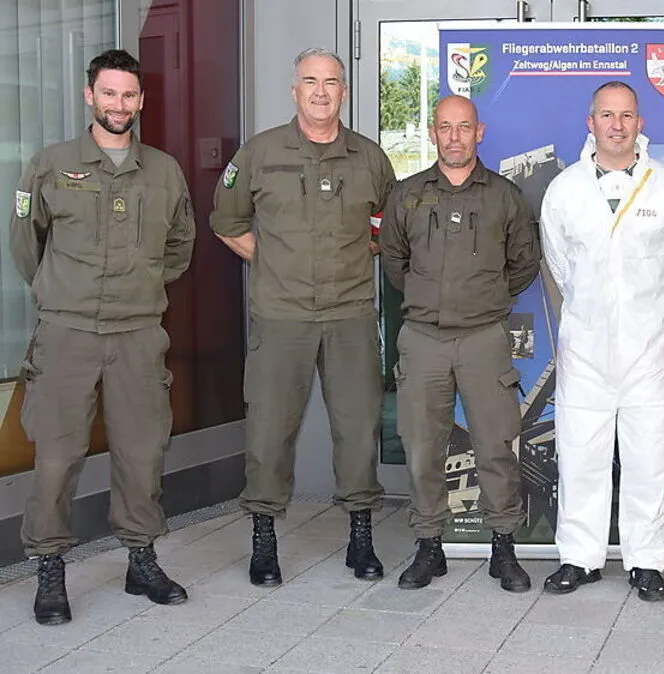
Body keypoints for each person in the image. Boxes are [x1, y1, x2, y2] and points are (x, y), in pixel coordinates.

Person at [10, 49, 196, 624]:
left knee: (143, 454)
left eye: (130, 95)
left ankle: (141, 560)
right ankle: (49, 570)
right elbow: (26, 245)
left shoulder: (164, 171)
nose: (120, 105)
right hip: (67, 334)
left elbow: (179, 248)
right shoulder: (51, 164)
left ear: (141, 101)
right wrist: (63, 290)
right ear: (89, 96)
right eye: (109, 93)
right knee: (57, 458)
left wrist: (137, 288)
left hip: (139, 335)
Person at [211, 48, 396, 586]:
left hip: (349, 317)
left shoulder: (369, 158)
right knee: (270, 431)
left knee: (359, 428)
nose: (320, 91)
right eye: (310, 82)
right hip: (281, 316)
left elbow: (386, 227)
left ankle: (360, 538)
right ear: (293, 90)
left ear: (344, 92)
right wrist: (272, 262)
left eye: (331, 82)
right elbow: (226, 221)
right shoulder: (260, 153)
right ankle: (264, 541)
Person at [539, 81, 664, 602]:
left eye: (626, 115)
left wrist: (640, 309)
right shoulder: (564, 190)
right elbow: (560, 265)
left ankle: (647, 562)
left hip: (648, 350)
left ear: (639, 122)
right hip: (584, 350)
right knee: (580, 455)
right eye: (606, 115)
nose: (616, 124)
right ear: (591, 123)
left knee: (649, 458)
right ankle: (579, 558)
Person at [378, 95, 541, 592]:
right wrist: (434, 299)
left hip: (483, 339)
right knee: (423, 446)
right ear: (433, 133)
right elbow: (393, 261)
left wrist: (482, 299)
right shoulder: (406, 194)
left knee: (496, 446)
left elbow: (524, 262)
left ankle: (504, 548)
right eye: (445, 128)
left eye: (463, 127)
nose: (454, 136)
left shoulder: (504, 196)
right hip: (423, 339)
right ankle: (430, 546)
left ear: (480, 132)